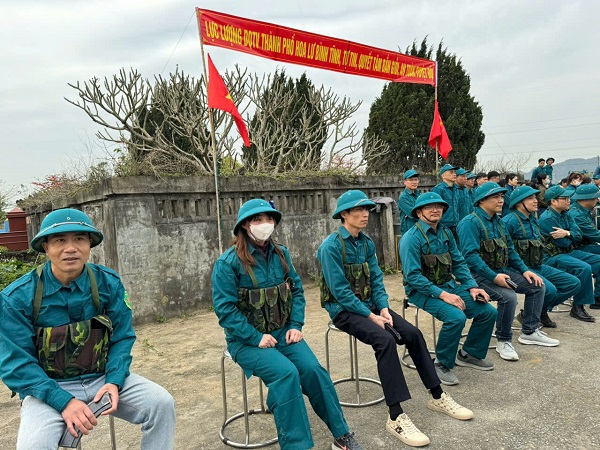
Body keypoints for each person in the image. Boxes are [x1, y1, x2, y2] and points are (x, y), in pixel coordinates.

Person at [0, 208, 175, 450]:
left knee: (161, 404)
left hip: (103, 377)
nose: (70, 248)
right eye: (60, 240)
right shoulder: (17, 298)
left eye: (79, 239)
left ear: (89, 244)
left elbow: (122, 336)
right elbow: (16, 363)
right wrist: (62, 401)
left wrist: (114, 381)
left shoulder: (108, 283)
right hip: (49, 386)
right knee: (33, 445)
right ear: (46, 247)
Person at [318, 190, 473, 448]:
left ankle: (437, 395)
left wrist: (384, 308)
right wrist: (371, 316)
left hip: (371, 306)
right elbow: (340, 292)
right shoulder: (331, 247)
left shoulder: (366, 243)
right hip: (344, 311)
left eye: (367, 210)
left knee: (413, 334)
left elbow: (377, 279)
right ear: (344, 214)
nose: (365, 214)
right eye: (359, 210)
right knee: (385, 341)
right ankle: (396, 416)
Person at [211, 199, 364, 450]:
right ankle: (297, 446)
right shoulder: (228, 263)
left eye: (269, 219)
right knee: (286, 373)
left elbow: (297, 291)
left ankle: (342, 434)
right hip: (246, 342)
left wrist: (295, 325)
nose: (265, 224)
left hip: (283, 332)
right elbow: (225, 311)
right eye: (257, 219)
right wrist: (255, 337)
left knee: (313, 370)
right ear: (245, 225)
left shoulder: (281, 254)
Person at [399, 192, 496, 386]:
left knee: (488, 312)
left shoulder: (445, 232)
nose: (435, 210)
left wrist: (472, 286)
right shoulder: (411, 238)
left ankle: (469, 354)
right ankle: (441, 364)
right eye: (429, 207)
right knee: (456, 317)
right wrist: (443, 295)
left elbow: (458, 262)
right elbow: (413, 276)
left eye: (439, 206)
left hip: (448, 286)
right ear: (418, 212)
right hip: (422, 292)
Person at [457, 182, 551, 362]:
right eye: (496, 197)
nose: (501, 200)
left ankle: (530, 331)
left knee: (536, 285)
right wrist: (494, 277)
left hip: (500, 271)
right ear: (482, 200)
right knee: (508, 297)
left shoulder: (499, 222)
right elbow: (470, 257)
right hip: (477, 276)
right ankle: (504, 339)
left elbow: (510, 250)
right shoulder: (469, 223)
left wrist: (525, 270)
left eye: (501, 196)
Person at [501, 186, 581, 328]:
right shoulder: (509, 221)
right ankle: (531, 321)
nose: (536, 201)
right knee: (549, 289)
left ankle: (537, 311)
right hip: (518, 268)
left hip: (537, 265)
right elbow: (505, 251)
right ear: (519, 202)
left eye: (535, 197)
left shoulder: (532, 219)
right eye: (530, 198)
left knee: (573, 283)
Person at [538, 186, 600, 322]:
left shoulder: (565, 214)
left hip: (568, 252)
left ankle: (595, 298)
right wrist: (571, 235)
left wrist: (567, 233)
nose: (569, 200)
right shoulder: (547, 219)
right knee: (584, 268)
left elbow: (578, 235)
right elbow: (563, 243)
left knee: (597, 262)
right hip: (552, 256)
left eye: (568, 197)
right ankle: (578, 306)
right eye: (564, 198)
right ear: (553, 201)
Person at [568, 184, 600, 309]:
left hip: (586, 245)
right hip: (577, 248)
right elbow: (594, 234)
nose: (597, 200)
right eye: (595, 198)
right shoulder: (577, 214)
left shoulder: (582, 211)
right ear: (588, 199)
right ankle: (597, 297)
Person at [432, 164, 461, 238]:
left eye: (455, 172)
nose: (454, 174)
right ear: (443, 176)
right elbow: (434, 207)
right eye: (451, 172)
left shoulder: (456, 189)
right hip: (443, 226)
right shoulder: (438, 189)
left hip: (456, 225)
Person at [398, 169, 422, 235]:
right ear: (405, 182)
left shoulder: (419, 194)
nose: (414, 182)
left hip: (421, 229)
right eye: (411, 180)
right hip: (409, 231)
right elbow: (413, 214)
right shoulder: (403, 197)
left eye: (416, 180)